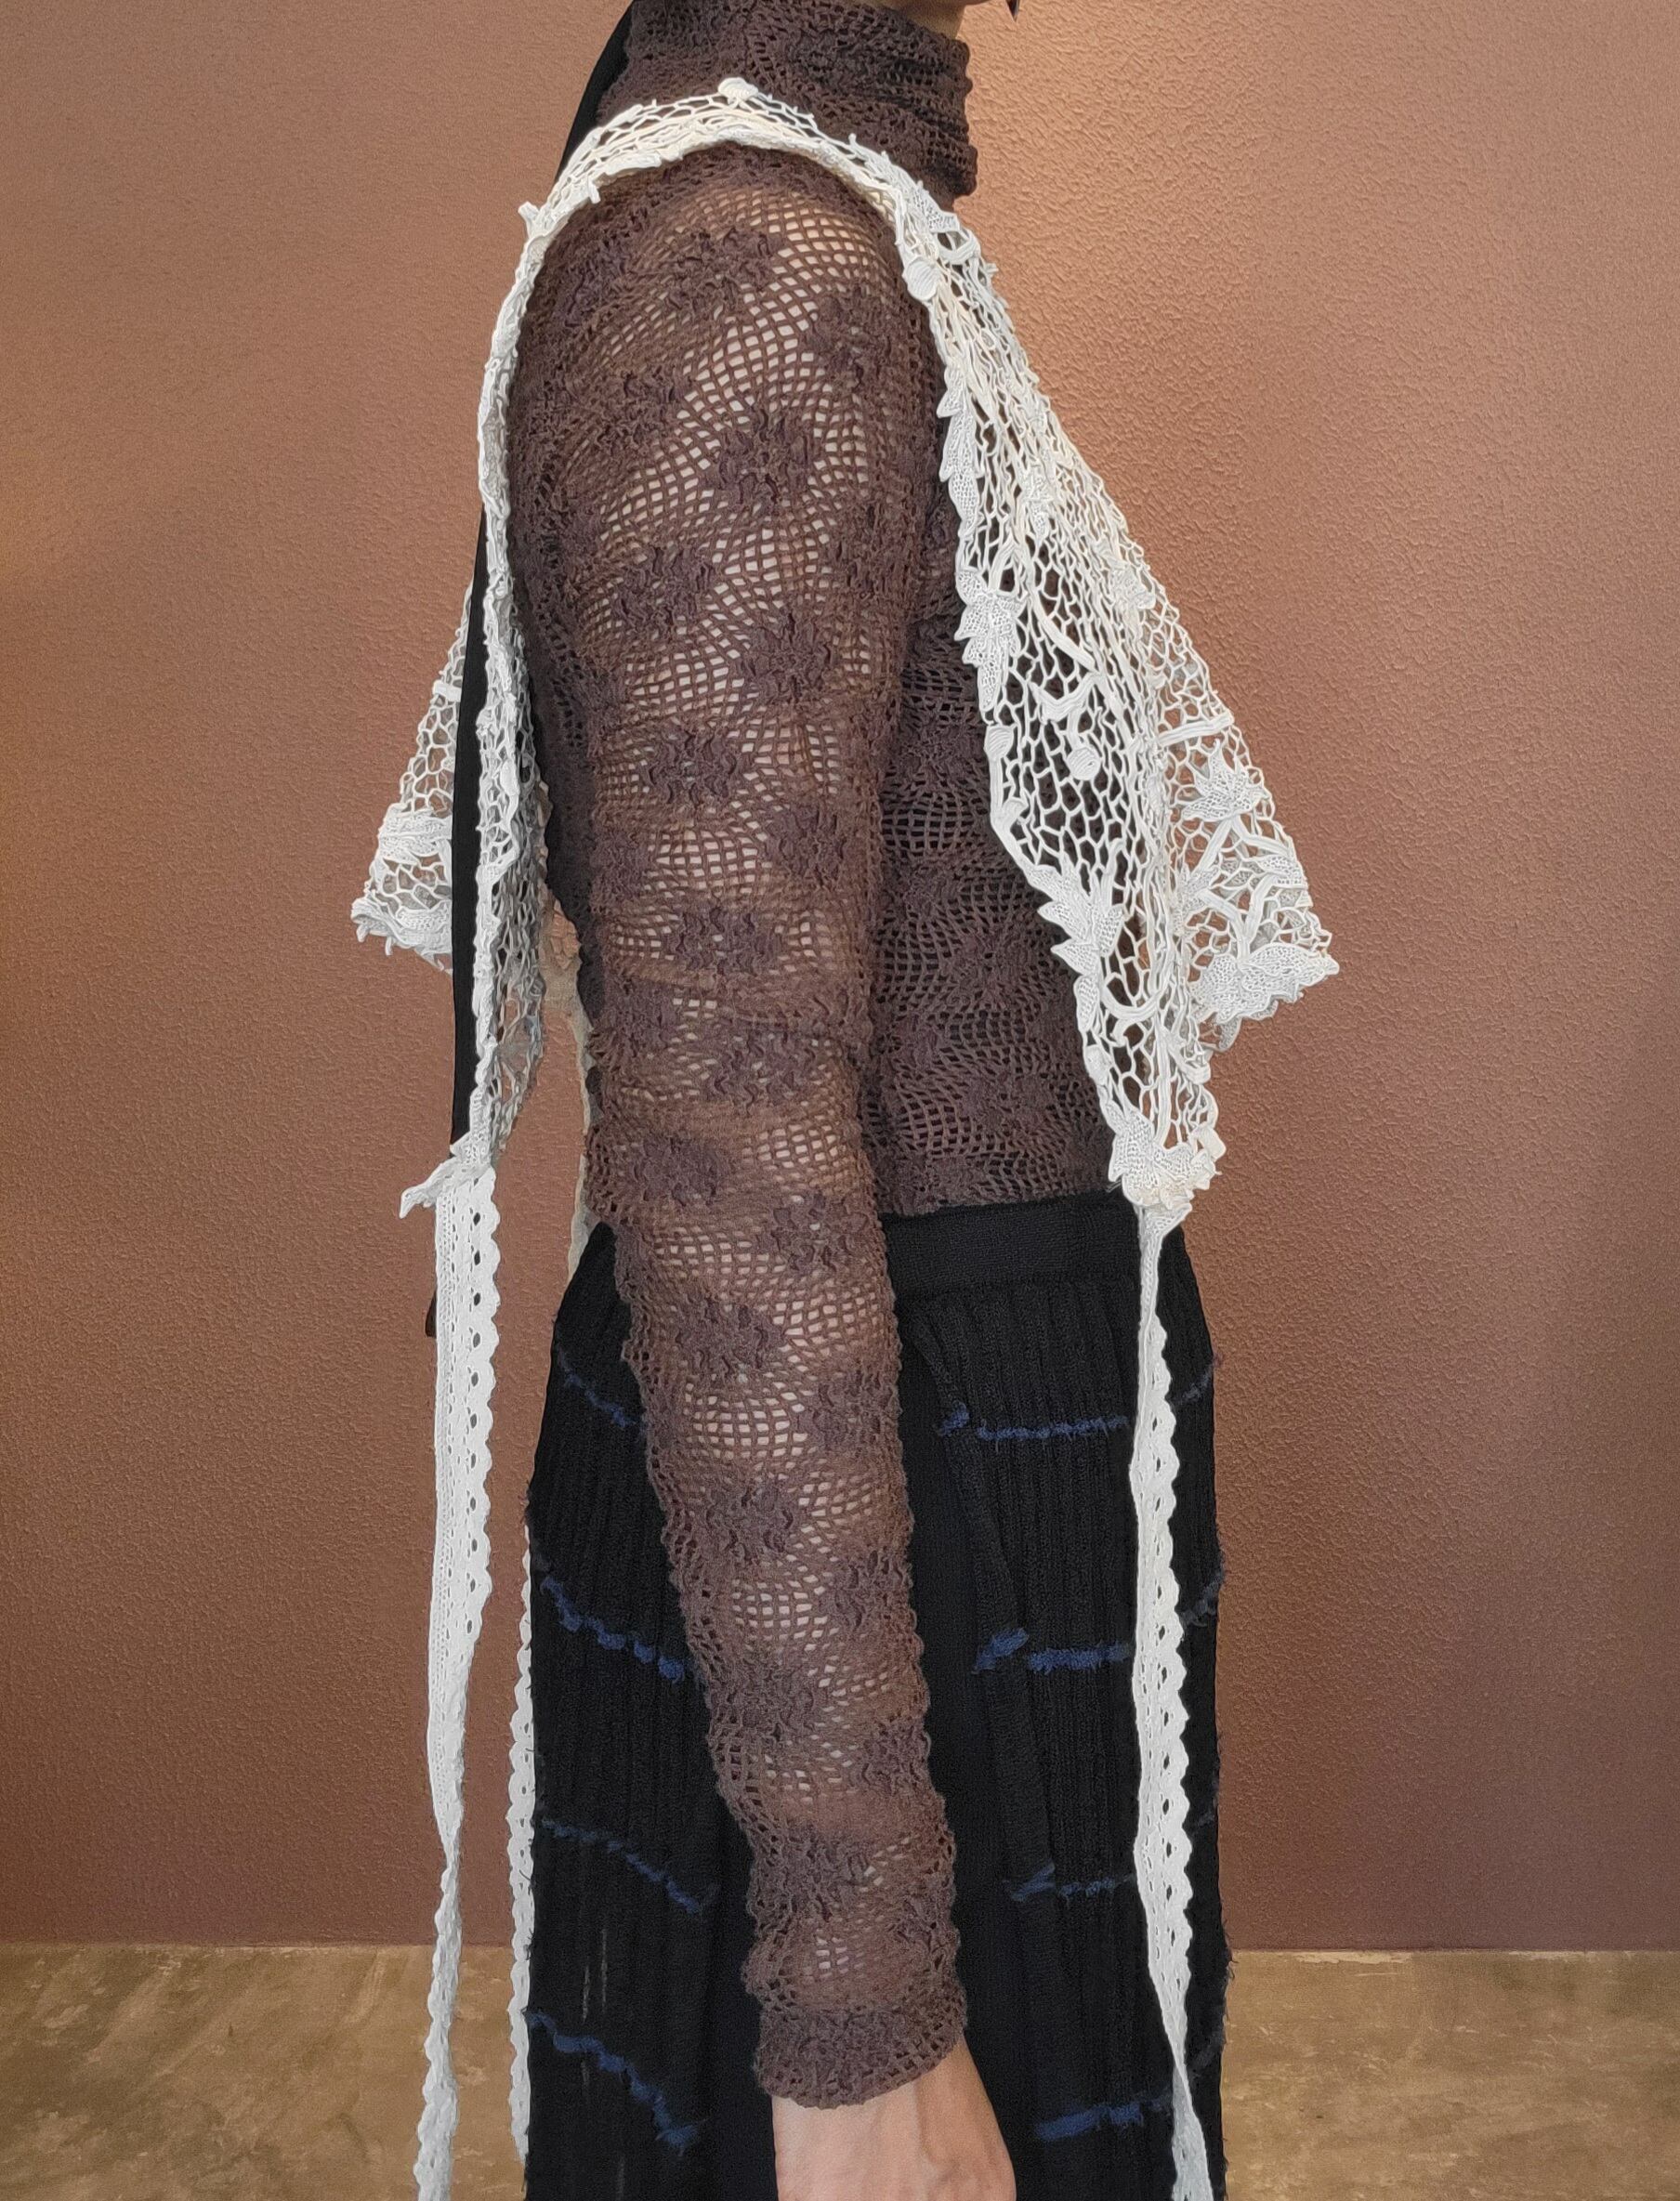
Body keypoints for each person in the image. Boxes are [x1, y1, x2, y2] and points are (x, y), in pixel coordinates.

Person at [357, 0, 1335, 2194]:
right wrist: (859, 1997)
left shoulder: (822, 212)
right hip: (877, 1517)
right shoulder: (749, 260)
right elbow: (724, 1136)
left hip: (931, 1473)